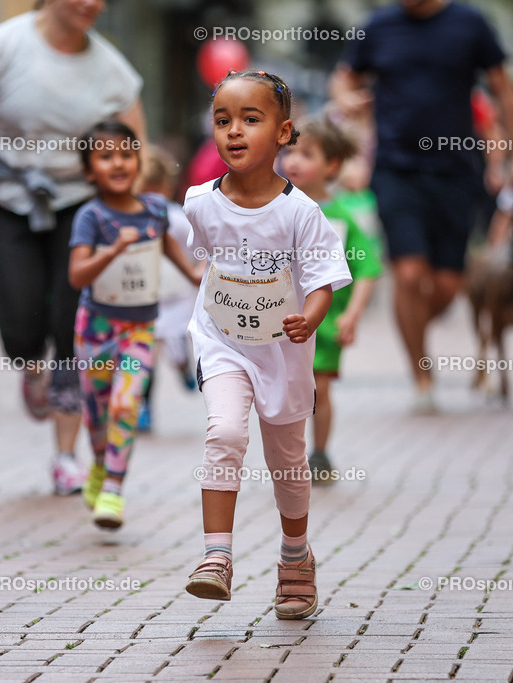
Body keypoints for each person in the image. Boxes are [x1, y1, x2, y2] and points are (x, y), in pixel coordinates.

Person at [0, 0, 146, 495]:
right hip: (8, 199)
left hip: (80, 206)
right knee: (21, 331)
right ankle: (31, 365)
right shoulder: (3, 47)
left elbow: (135, 149)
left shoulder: (113, 71)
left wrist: (131, 213)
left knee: (72, 331)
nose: (92, 4)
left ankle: (65, 457)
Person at [182, 71, 351, 620]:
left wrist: (309, 318)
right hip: (222, 341)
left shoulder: (302, 213)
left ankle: (296, 555)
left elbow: (323, 281)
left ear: (283, 133)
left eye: (250, 119)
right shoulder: (199, 202)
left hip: (282, 352)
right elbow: (207, 260)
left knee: (287, 461)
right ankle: (217, 557)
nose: (234, 130)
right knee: (225, 432)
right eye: (223, 120)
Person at [331, 0, 513, 413]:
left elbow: (501, 86)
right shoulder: (379, 26)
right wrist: (346, 99)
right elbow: (343, 78)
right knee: (410, 274)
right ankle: (422, 378)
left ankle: (410, 326)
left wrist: (507, 150)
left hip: (456, 171)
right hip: (396, 170)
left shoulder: (470, 23)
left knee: (448, 285)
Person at [69, 120, 200, 529]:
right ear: (89, 171)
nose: (118, 163)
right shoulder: (90, 216)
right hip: (96, 330)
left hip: (140, 329)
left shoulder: (155, 209)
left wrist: (192, 273)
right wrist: (114, 250)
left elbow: (165, 240)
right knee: (97, 414)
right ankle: (98, 463)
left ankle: (113, 487)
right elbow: (77, 275)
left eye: (126, 154)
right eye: (105, 156)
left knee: (126, 404)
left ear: (139, 162)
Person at [282, 116, 384, 483]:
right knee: (286, 391)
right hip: (280, 321)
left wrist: (351, 315)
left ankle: (320, 453)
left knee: (319, 388)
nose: (293, 161)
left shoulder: (341, 218)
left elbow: (368, 267)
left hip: (323, 325)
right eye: (290, 151)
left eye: (307, 154)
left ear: (332, 165)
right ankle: (288, 455)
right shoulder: (276, 207)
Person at [136, 148, 200, 434]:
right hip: (148, 297)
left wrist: (196, 271)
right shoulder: (133, 217)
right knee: (148, 355)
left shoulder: (175, 218)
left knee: (175, 343)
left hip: (177, 294)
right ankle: (145, 407)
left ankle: (183, 364)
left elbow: (195, 249)